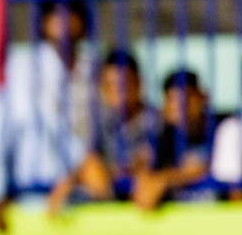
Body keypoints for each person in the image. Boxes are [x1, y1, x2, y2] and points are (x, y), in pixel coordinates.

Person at [0, 0, 111, 231]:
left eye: (72, 14)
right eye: (56, 15)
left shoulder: (94, 70)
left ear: (84, 24)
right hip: (36, 204)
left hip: (93, 202)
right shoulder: (23, 69)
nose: (64, 22)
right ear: (44, 24)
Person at [133, 69, 214, 211]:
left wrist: (165, 179)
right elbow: (144, 188)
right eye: (172, 100)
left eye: (187, 98)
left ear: (203, 97)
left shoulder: (222, 129)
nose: (180, 107)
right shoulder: (162, 138)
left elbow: (206, 169)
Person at [91, 49, 157, 196]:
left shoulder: (158, 123)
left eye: (123, 83)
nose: (117, 91)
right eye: (110, 84)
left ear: (139, 82)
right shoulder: (102, 124)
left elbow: (149, 165)